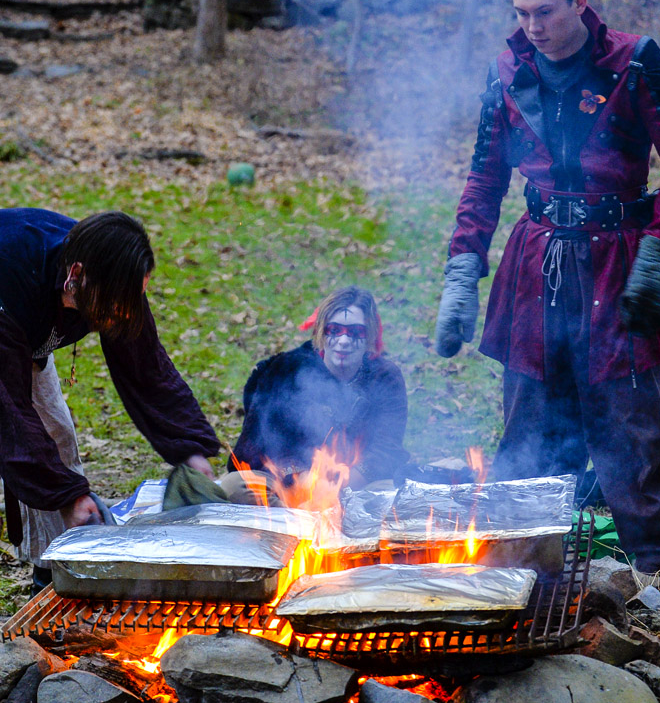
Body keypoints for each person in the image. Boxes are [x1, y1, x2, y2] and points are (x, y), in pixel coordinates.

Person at [434, 0, 660, 574]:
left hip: (622, 267)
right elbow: (485, 180)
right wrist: (463, 268)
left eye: (544, 12)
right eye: (521, 13)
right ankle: (530, 582)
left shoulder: (637, 62)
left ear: (579, 2)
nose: (532, 27)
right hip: (534, 267)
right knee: (531, 438)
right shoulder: (508, 73)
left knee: (634, 438)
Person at [0, 208, 220, 590]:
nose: (121, 313)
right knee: (26, 442)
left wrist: (190, 449)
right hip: (6, 325)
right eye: (115, 306)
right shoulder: (16, 275)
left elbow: (147, 368)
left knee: (57, 437)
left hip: (23, 338)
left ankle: (53, 567)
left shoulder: (113, 275)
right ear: (76, 276)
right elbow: (11, 420)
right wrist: (68, 497)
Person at [227, 286, 409, 498]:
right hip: (288, 486)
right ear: (322, 331)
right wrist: (299, 477)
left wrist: (342, 484)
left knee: (390, 494)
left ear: (369, 336)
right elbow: (256, 447)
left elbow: (387, 448)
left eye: (355, 332)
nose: (344, 341)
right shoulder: (286, 370)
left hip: (356, 489)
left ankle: (335, 519)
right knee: (234, 486)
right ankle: (301, 523)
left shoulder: (385, 377)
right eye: (334, 330)